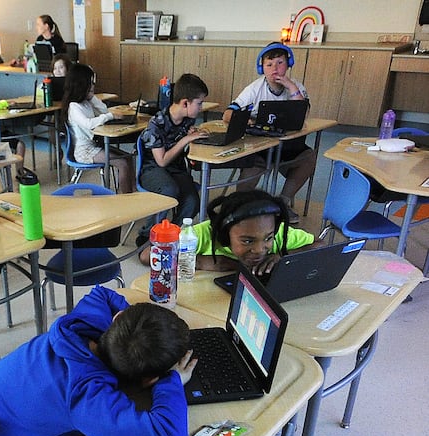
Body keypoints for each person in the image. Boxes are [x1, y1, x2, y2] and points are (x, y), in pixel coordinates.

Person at [0, 285, 196, 436]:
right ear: (149, 380)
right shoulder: (87, 397)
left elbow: (101, 294)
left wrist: (133, 328)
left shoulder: (80, 325)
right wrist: (171, 381)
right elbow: (169, 434)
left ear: (117, 318)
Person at [223, 42, 316, 224]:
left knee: (309, 157)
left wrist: (290, 87)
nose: (275, 68)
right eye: (269, 64)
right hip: (260, 148)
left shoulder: (296, 87)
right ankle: (239, 206)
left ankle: (283, 203)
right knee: (251, 169)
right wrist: (247, 119)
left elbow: (303, 114)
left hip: (288, 146)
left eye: (280, 63)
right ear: (261, 68)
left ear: (288, 64)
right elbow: (227, 114)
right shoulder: (254, 89)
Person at [135, 73, 209, 249]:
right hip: (152, 168)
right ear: (185, 103)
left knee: (192, 200)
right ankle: (148, 234)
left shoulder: (187, 118)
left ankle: (171, 234)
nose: (201, 107)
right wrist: (184, 140)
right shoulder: (156, 124)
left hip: (175, 167)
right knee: (169, 190)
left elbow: (185, 133)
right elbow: (161, 161)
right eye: (199, 103)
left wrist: (191, 133)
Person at [195, 190, 319, 276]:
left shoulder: (279, 234)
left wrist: (283, 256)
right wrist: (201, 261)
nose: (259, 249)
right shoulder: (200, 235)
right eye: (248, 241)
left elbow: (320, 245)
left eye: (268, 238)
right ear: (225, 234)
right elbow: (175, 254)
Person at [63, 63, 135, 193]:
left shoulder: (86, 102)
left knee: (128, 158)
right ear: (81, 84)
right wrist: (110, 116)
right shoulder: (74, 106)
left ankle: (132, 190)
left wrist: (93, 98)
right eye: (90, 82)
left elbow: (103, 110)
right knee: (122, 164)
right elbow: (89, 123)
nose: (93, 85)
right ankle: (125, 199)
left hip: (94, 145)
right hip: (84, 151)